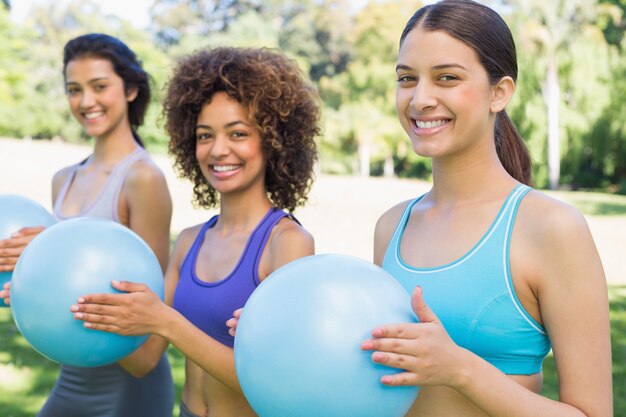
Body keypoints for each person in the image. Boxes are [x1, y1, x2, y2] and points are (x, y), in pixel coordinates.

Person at [360, 1, 613, 417]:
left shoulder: (551, 228)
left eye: (447, 78)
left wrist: (460, 369)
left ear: (500, 92)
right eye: (407, 78)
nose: (420, 99)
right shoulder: (391, 227)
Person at [69, 46, 320, 417]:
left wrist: (166, 321)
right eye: (204, 136)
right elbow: (142, 360)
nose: (218, 150)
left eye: (237, 134)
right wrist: (70, 301)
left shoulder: (288, 243)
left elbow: (276, 382)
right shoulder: (189, 242)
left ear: (272, 139)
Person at [0, 33, 175, 417]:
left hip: (128, 384)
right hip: (73, 373)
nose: (86, 102)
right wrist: (29, 280)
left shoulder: (143, 179)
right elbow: (62, 288)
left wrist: (54, 251)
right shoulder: (64, 178)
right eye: (74, 90)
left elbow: (150, 318)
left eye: (99, 87)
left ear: (130, 89)